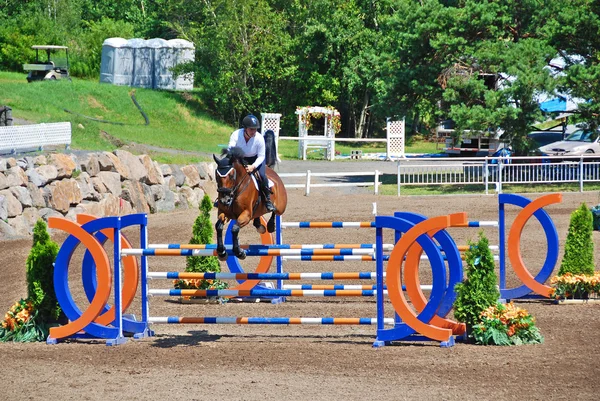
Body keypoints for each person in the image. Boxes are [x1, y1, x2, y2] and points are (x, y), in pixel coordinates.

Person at [227, 114, 275, 212]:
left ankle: (267, 200)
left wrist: (253, 166)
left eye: (255, 129)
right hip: (239, 158)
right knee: (226, 174)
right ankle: (222, 197)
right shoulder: (236, 135)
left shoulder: (259, 138)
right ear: (245, 129)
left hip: (255, 159)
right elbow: (230, 149)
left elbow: (262, 156)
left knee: (262, 176)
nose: (254, 131)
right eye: (251, 129)